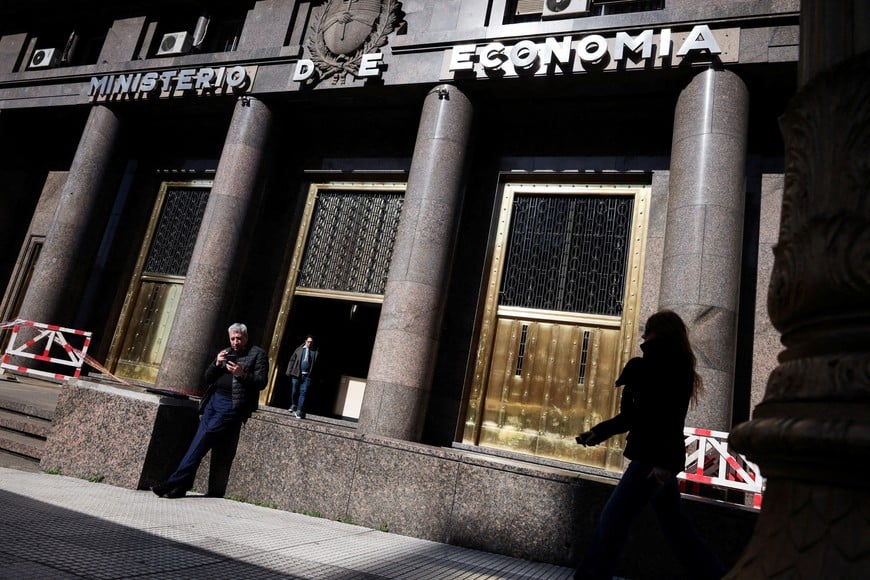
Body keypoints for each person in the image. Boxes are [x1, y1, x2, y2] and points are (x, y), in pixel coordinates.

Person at [574, 310, 725, 580]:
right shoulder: (660, 365)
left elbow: (666, 417)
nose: (643, 335)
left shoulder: (664, 366)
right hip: (658, 459)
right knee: (676, 527)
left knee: (613, 519)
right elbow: (636, 416)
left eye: (649, 330)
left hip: (652, 460)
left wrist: (665, 464)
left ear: (659, 332)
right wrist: (598, 432)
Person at [152, 323, 268, 499]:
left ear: (246, 337)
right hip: (213, 401)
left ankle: (173, 482)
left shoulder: (258, 354)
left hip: (231, 405)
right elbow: (208, 377)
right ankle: (179, 488)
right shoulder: (226, 352)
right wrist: (216, 363)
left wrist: (241, 374)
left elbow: (261, 382)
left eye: (239, 338)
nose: (236, 342)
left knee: (201, 441)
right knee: (198, 442)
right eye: (233, 339)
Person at [285, 334, 317, 419]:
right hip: (296, 374)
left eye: (311, 342)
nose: (310, 343)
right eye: (308, 342)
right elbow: (292, 360)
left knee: (304, 392)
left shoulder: (314, 352)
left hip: (307, 376)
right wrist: (289, 371)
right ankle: (293, 404)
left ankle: (299, 410)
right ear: (305, 341)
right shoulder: (299, 350)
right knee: (294, 390)